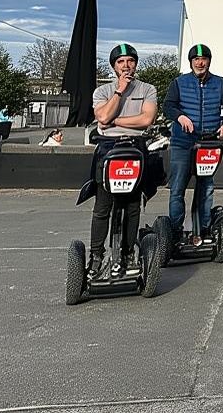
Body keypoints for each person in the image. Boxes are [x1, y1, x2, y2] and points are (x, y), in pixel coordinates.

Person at [88, 43, 159, 275]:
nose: (126, 66)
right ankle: (96, 256)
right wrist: (119, 90)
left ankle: (128, 253)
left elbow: (146, 120)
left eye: (130, 61)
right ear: (114, 66)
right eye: (121, 62)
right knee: (102, 207)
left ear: (136, 64)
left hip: (135, 147)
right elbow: (103, 115)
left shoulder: (148, 89)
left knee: (132, 206)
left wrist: (115, 122)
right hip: (108, 148)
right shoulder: (103, 92)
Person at [161, 43, 223, 245]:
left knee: (206, 186)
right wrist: (180, 117)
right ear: (191, 62)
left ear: (209, 61)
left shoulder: (220, 83)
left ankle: (203, 229)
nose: (200, 63)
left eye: (204, 59)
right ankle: (175, 231)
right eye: (196, 60)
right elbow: (168, 106)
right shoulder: (179, 82)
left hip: (209, 142)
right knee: (178, 187)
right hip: (183, 142)